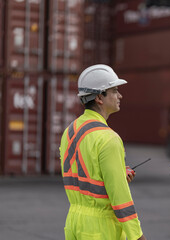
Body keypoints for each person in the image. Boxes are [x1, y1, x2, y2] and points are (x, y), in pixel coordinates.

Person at [59, 64, 146, 240]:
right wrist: (137, 236)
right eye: (114, 90)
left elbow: (86, 177)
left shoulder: (70, 131)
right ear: (99, 97)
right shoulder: (108, 139)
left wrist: (119, 174)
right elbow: (120, 197)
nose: (120, 95)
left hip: (74, 222)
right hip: (101, 229)